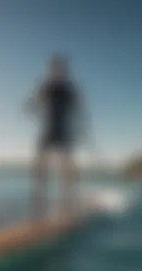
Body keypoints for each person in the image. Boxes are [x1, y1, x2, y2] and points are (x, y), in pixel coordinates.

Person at [24, 54, 89, 217]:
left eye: (58, 68)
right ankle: (39, 199)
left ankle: (69, 198)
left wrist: (81, 130)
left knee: (66, 166)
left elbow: (79, 110)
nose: (55, 71)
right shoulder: (45, 86)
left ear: (63, 70)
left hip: (64, 131)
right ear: (49, 70)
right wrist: (30, 105)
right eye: (52, 68)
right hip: (47, 130)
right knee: (40, 164)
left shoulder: (69, 88)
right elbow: (34, 101)